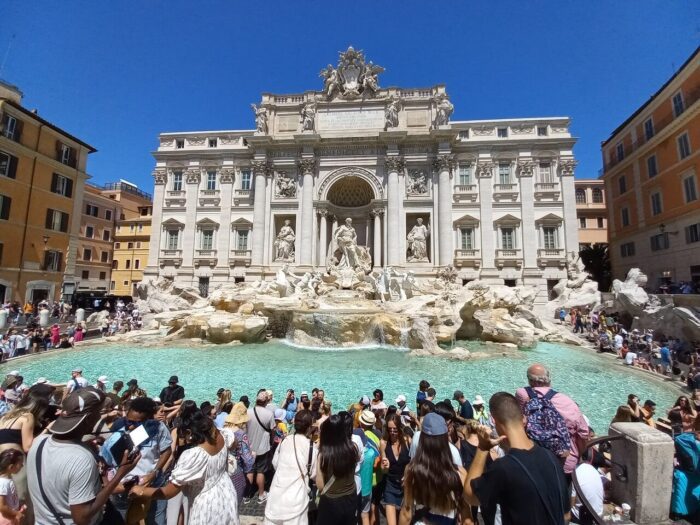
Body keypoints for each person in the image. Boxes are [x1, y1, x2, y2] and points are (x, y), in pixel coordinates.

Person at [27, 387, 140, 525]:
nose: (100, 417)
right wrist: (121, 473)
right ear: (88, 420)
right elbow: (81, 518)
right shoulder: (82, 458)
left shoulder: (39, 441)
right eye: (99, 413)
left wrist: (83, 444)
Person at [464, 392, 569, 525]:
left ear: (494, 421)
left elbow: (470, 496)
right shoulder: (551, 457)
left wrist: (483, 448)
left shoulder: (504, 467)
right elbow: (566, 515)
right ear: (523, 419)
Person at [131, 411, 240, 525]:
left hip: (207, 502)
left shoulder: (193, 455)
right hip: (227, 493)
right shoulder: (222, 435)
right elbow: (234, 444)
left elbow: (169, 492)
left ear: (189, 432)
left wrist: (140, 490)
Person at [515, 363, 589, 479]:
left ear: (530, 381)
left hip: (535, 456)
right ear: (549, 379)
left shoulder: (523, 394)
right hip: (564, 462)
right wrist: (580, 456)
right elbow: (583, 434)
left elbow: (518, 421)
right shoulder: (568, 402)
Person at [399, 413, 472, 525]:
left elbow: (406, 513)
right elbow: (467, 518)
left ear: (422, 439)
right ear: (445, 438)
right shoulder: (459, 473)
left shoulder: (412, 470)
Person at [110, 397, 172, 525]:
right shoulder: (119, 425)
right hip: (124, 484)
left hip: (152, 481)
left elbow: (166, 451)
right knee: (120, 518)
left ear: (149, 418)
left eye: (137, 423)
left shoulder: (159, 428)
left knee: (156, 518)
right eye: (129, 421)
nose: (131, 425)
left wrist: (154, 472)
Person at [264, 410, 318, 525]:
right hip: (297, 498)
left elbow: (275, 463)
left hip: (277, 495)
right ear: (309, 427)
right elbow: (314, 474)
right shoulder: (311, 447)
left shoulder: (285, 440)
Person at [316, 414, 359, 525]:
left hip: (331, 502)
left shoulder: (323, 455)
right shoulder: (353, 448)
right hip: (350, 497)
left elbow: (320, 486)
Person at [380, 414, 410, 525]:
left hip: (405, 486)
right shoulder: (383, 443)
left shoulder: (407, 441)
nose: (392, 432)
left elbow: (414, 462)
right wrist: (384, 467)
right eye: (390, 429)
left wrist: (408, 474)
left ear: (400, 429)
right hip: (390, 485)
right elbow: (383, 470)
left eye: (395, 430)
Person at [223, 402, 254, 506]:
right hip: (236, 472)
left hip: (223, 472)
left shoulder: (222, 431)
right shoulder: (241, 434)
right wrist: (254, 455)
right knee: (234, 505)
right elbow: (248, 460)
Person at [247, 391, 274, 503]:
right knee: (261, 472)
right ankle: (261, 494)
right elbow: (272, 430)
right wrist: (271, 442)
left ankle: (247, 495)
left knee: (250, 470)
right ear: (266, 401)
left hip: (249, 447)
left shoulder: (248, 412)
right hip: (263, 447)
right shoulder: (269, 414)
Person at [569, 448, 604, 524]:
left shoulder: (574, 473)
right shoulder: (593, 470)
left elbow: (571, 503)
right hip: (599, 514)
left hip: (583, 518)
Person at [0, 449, 25, 525]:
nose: (22, 465)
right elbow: (1, 506)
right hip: (6, 520)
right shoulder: (3, 483)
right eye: (20, 464)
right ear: (11, 467)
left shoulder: (7, 479)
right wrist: (16, 513)